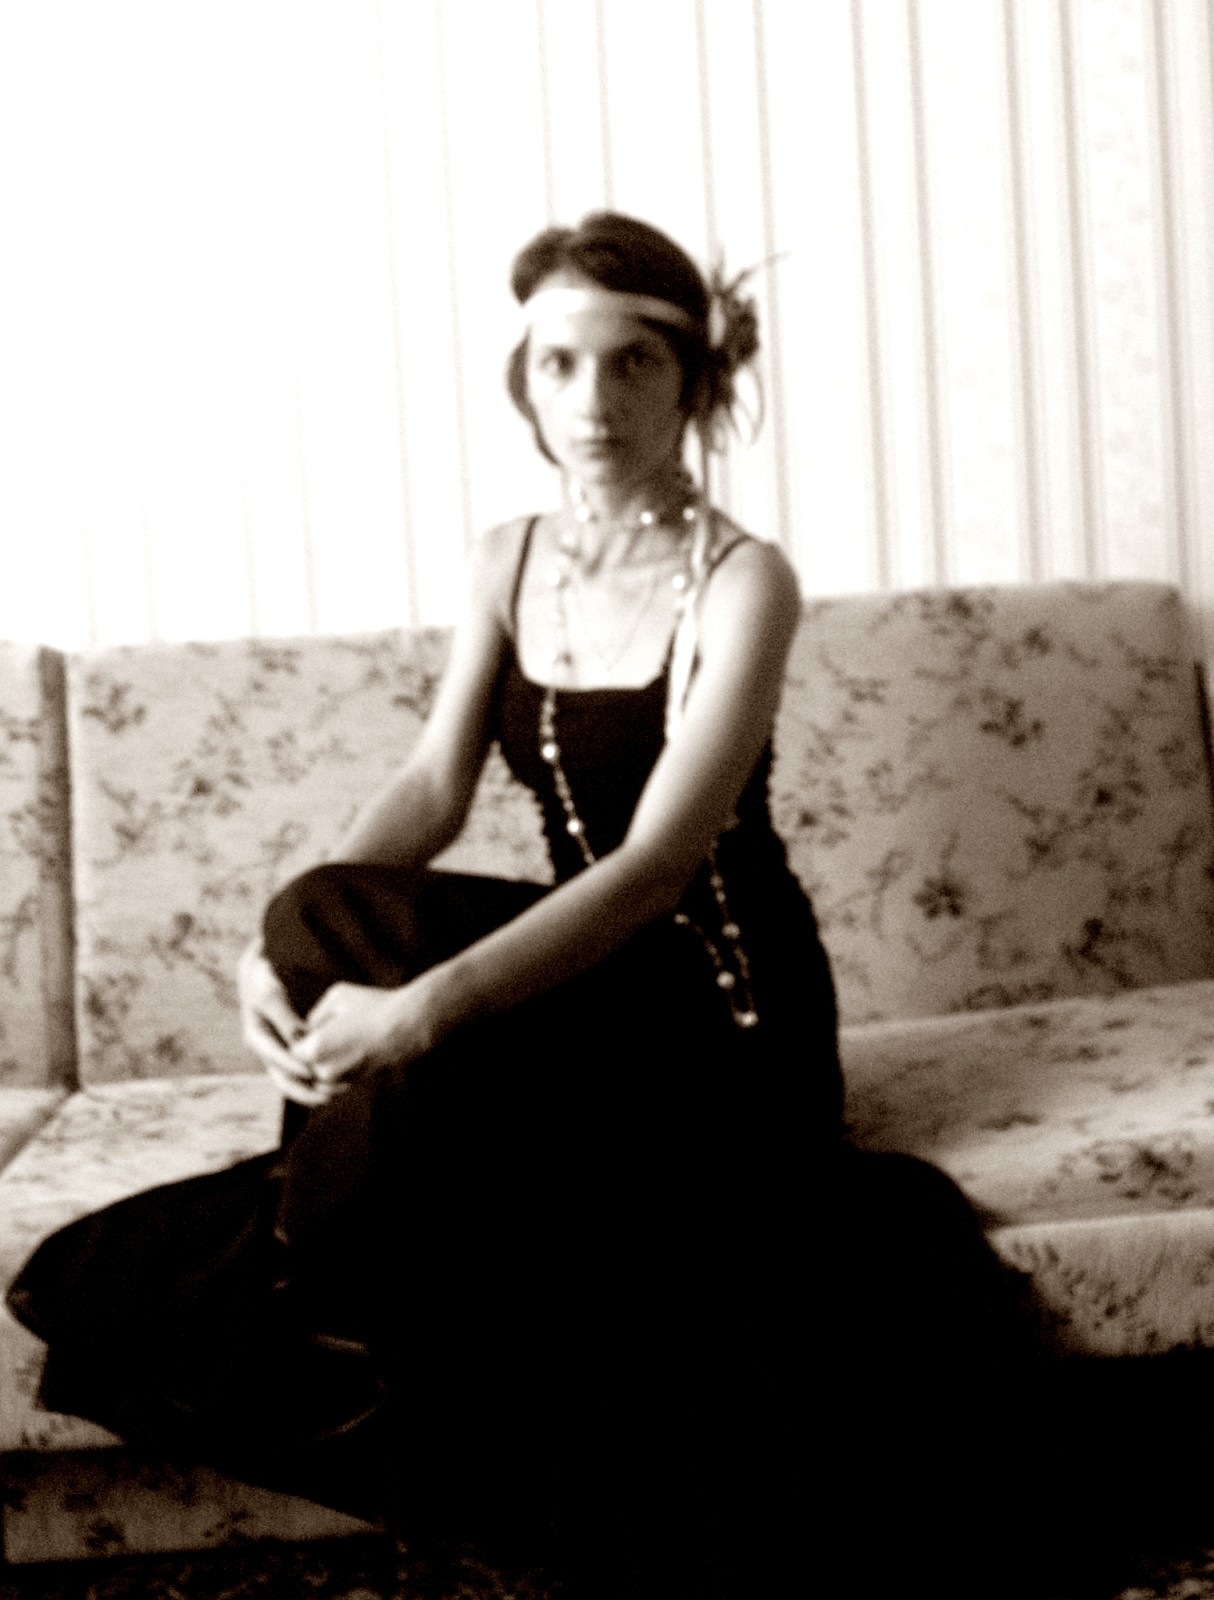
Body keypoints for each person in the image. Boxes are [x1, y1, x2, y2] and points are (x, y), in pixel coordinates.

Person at [8, 213, 1041, 1599]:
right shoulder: (506, 558)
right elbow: (431, 786)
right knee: (318, 913)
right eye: (560, 363)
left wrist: (423, 1013)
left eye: (632, 362)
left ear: (694, 381)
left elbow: (659, 864)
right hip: (575, 987)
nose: (592, 400)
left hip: (715, 1006)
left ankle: (325, 1281)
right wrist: (269, 946)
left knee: (400, 1046)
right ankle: (351, 1279)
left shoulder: (744, 581)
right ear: (525, 382)